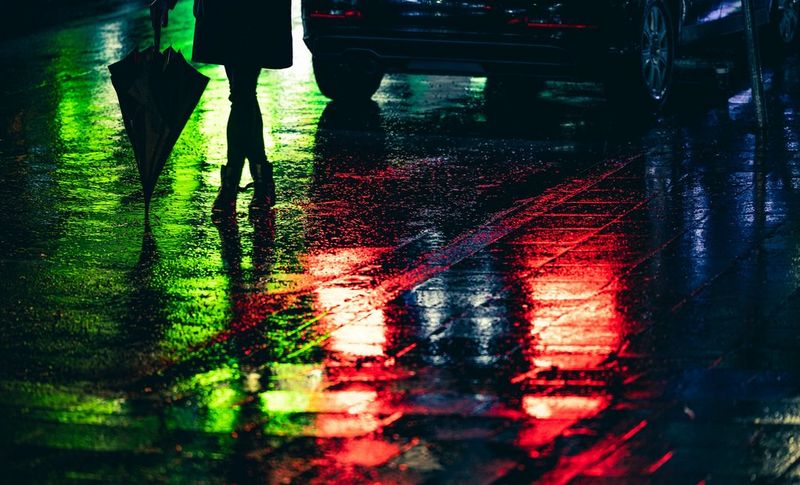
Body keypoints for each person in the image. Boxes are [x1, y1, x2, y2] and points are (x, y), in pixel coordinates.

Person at [150, 0, 293, 215]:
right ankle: (260, 181)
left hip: (251, 10)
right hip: (227, 9)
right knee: (242, 92)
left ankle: (232, 186)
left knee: (242, 91)